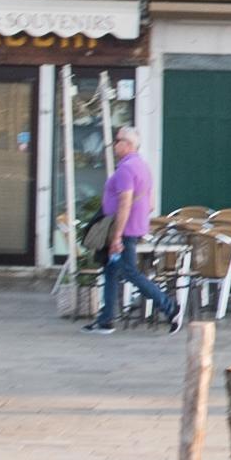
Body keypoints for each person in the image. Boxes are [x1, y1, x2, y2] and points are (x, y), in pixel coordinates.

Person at [91, 124, 179, 331]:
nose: (114, 145)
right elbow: (150, 204)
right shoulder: (142, 166)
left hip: (123, 230)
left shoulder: (125, 169)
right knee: (111, 270)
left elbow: (124, 203)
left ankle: (170, 307)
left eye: (117, 141)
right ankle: (105, 320)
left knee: (130, 272)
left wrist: (116, 237)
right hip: (134, 228)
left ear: (128, 144)